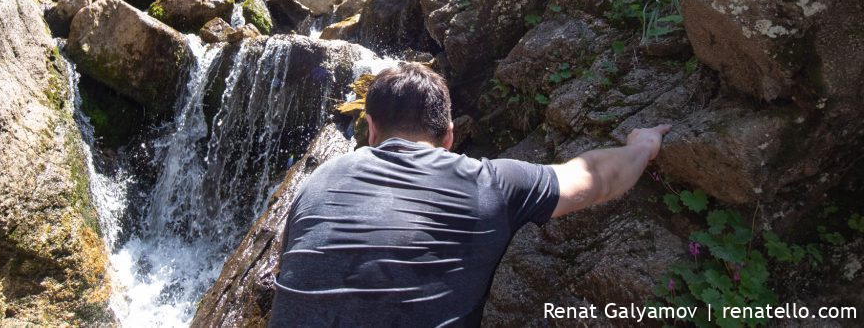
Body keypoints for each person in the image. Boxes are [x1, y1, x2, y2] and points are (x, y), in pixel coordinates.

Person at [269, 63, 670, 327]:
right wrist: (642, 146)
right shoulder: (487, 182)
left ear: (370, 130)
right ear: (448, 137)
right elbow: (595, 177)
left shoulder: (320, 177)